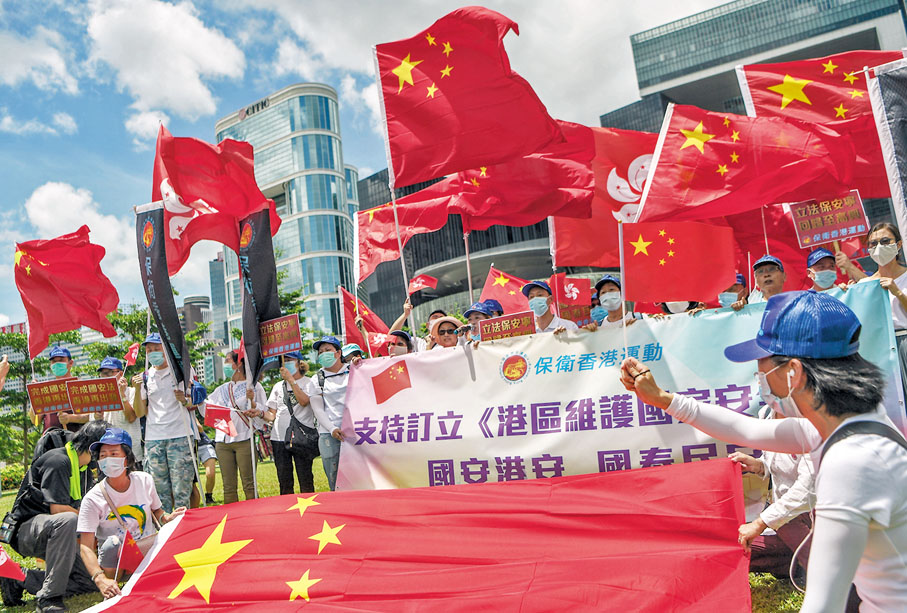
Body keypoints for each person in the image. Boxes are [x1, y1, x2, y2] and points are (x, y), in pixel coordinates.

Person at [619, 290, 907, 612]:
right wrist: (661, 399)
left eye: (762, 369)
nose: (760, 379)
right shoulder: (845, 425)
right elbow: (746, 430)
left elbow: (823, 604)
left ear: (793, 372)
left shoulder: (852, 461)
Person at [1, 421, 109, 612]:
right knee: (68, 520)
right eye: (107, 450)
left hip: (60, 534)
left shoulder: (83, 471)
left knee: (88, 581)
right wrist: (94, 524)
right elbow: (58, 510)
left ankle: (20, 579)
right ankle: (49, 598)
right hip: (27, 531)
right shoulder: (59, 461)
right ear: (94, 447)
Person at [77, 428, 184, 600]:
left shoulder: (144, 480)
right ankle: (113, 589)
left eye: (114, 453)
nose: (107, 459)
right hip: (115, 561)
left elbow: (157, 511)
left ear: (127, 458)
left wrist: (168, 518)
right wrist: (100, 578)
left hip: (146, 550)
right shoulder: (92, 499)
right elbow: (85, 546)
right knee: (111, 544)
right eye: (103, 455)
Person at [131, 333, 200, 513]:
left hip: (180, 436)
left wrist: (184, 400)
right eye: (149, 350)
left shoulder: (182, 371)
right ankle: (165, 526)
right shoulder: (145, 377)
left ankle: (183, 525)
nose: (153, 352)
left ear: (166, 349)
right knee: (159, 492)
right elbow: (139, 412)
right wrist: (137, 389)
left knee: (182, 490)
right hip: (154, 439)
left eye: (157, 348)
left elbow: (197, 401)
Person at [731, 442, 814, 578]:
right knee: (739, 547)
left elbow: (808, 490)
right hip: (786, 520)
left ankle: (828, 572)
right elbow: (784, 467)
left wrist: (760, 523)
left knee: (785, 523)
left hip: (817, 515)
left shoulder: (814, 434)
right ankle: (795, 563)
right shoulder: (774, 428)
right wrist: (759, 465)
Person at [205, 350, 266, 504]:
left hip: (244, 438)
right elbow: (206, 408)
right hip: (223, 441)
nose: (225, 364)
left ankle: (253, 513)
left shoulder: (254, 386)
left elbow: (263, 412)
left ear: (238, 364)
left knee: (249, 484)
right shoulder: (222, 389)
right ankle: (232, 516)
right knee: (228, 486)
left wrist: (253, 402)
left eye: (228, 360)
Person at [857, 222, 907, 402]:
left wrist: (897, 292)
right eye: (873, 243)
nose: (879, 247)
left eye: (885, 241)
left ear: (898, 244)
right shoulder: (864, 285)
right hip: (880, 349)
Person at [266, 351, 319, 495]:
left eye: (290, 359)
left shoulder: (309, 383)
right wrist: (258, 412)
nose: (287, 362)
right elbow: (271, 414)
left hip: (301, 437)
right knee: (284, 479)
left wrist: (291, 380)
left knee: (305, 477)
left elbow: (304, 401)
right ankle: (287, 506)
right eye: (285, 360)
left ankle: (309, 505)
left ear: (299, 362)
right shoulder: (278, 386)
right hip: (279, 438)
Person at [309, 336, 350, 491]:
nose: (323, 354)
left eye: (328, 350)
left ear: (338, 353)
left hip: (356, 431)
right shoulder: (317, 379)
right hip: (329, 434)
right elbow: (318, 409)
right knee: (335, 479)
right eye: (320, 352)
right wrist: (332, 428)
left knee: (359, 475)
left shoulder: (353, 370)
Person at [91, 358, 144, 471]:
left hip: (131, 454)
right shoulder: (97, 396)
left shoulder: (131, 392)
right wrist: (97, 417)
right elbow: (94, 426)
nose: (106, 376)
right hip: (107, 457)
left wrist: (122, 395)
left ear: (120, 373)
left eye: (110, 373)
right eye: (103, 373)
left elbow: (131, 417)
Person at [32, 346, 87, 435]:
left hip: (75, 438)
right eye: (54, 361)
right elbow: (35, 421)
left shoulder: (80, 386)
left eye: (61, 360)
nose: (57, 364)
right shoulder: (46, 389)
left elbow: (91, 416)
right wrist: (34, 397)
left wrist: (70, 418)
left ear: (70, 363)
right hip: (50, 440)